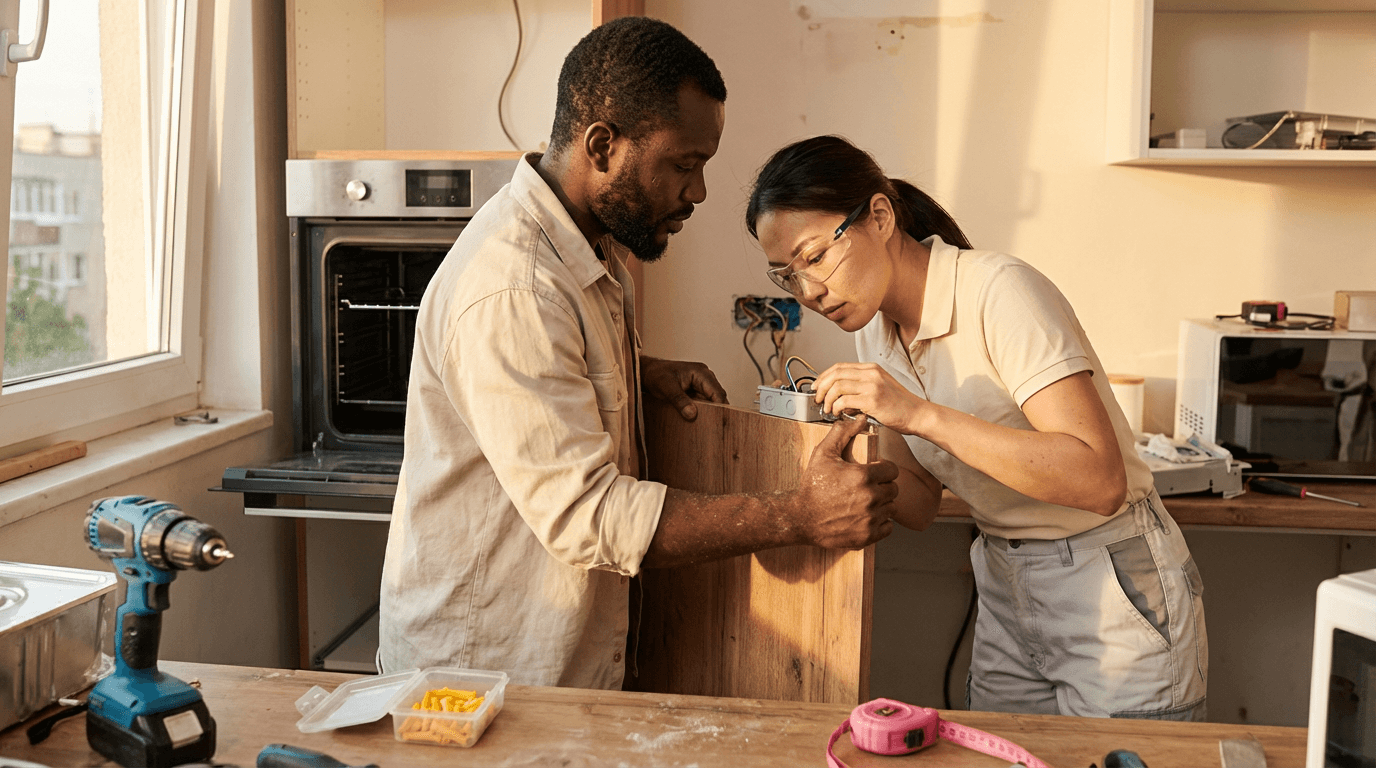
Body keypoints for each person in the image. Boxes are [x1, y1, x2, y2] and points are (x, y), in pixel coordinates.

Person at [379, 21, 900, 690]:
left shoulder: (589, 253)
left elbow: (544, 375)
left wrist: (635, 375)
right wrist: (796, 514)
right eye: (685, 163)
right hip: (482, 681)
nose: (700, 192)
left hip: (551, 669)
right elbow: (588, 516)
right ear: (602, 144)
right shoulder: (515, 286)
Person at [744, 135, 1208, 720]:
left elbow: (1098, 480)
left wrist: (917, 413)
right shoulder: (875, 333)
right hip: (1005, 585)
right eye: (787, 275)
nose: (808, 292)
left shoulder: (999, 290)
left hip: (1108, 582)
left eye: (814, 257)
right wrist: (832, 459)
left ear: (880, 217)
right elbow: (916, 504)